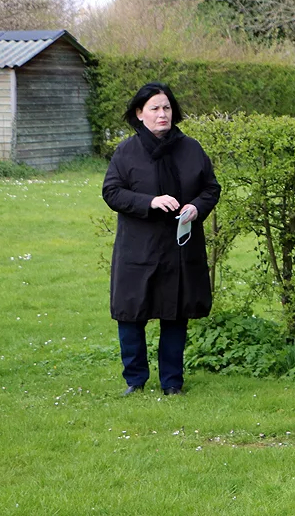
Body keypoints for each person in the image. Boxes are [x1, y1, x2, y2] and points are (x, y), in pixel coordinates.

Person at [102, 82, 220, 397]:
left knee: (175, 312)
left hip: (179, 247)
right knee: (130, 313)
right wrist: (150, 202)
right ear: (140, 114)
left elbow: (211, 188)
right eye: (154, 108)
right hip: (137, 247)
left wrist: (197, 206)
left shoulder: (191, 148)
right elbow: (111, 192)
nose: (162, 114)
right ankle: (135, 379)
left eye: (166, 108)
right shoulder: (126, 152)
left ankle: (172, 382)